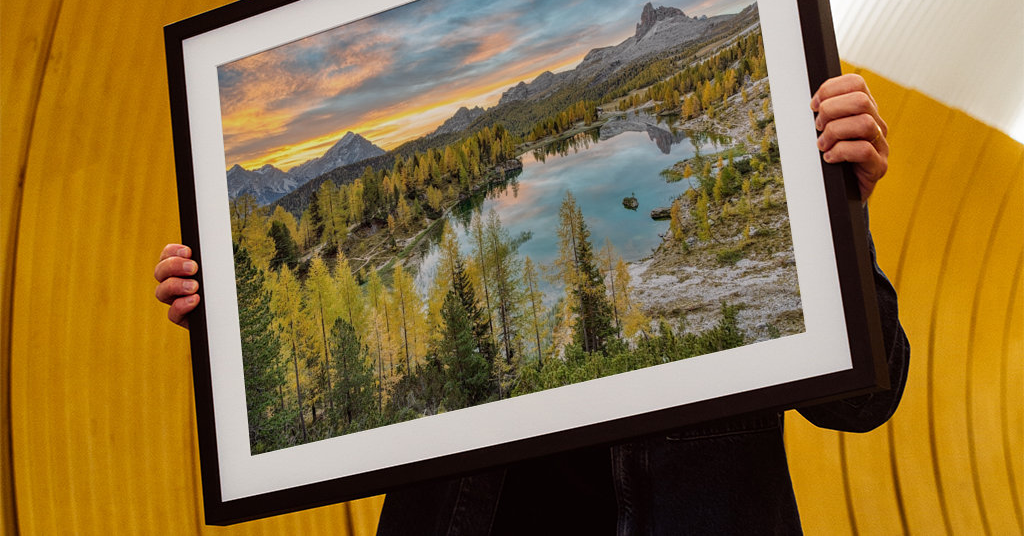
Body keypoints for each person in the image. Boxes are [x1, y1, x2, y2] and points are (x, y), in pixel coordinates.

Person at [154, 74, 908, 535]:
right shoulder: (439, 326)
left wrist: (838, 209)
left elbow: (864, 401)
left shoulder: (793, 144)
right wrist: (236, 326)